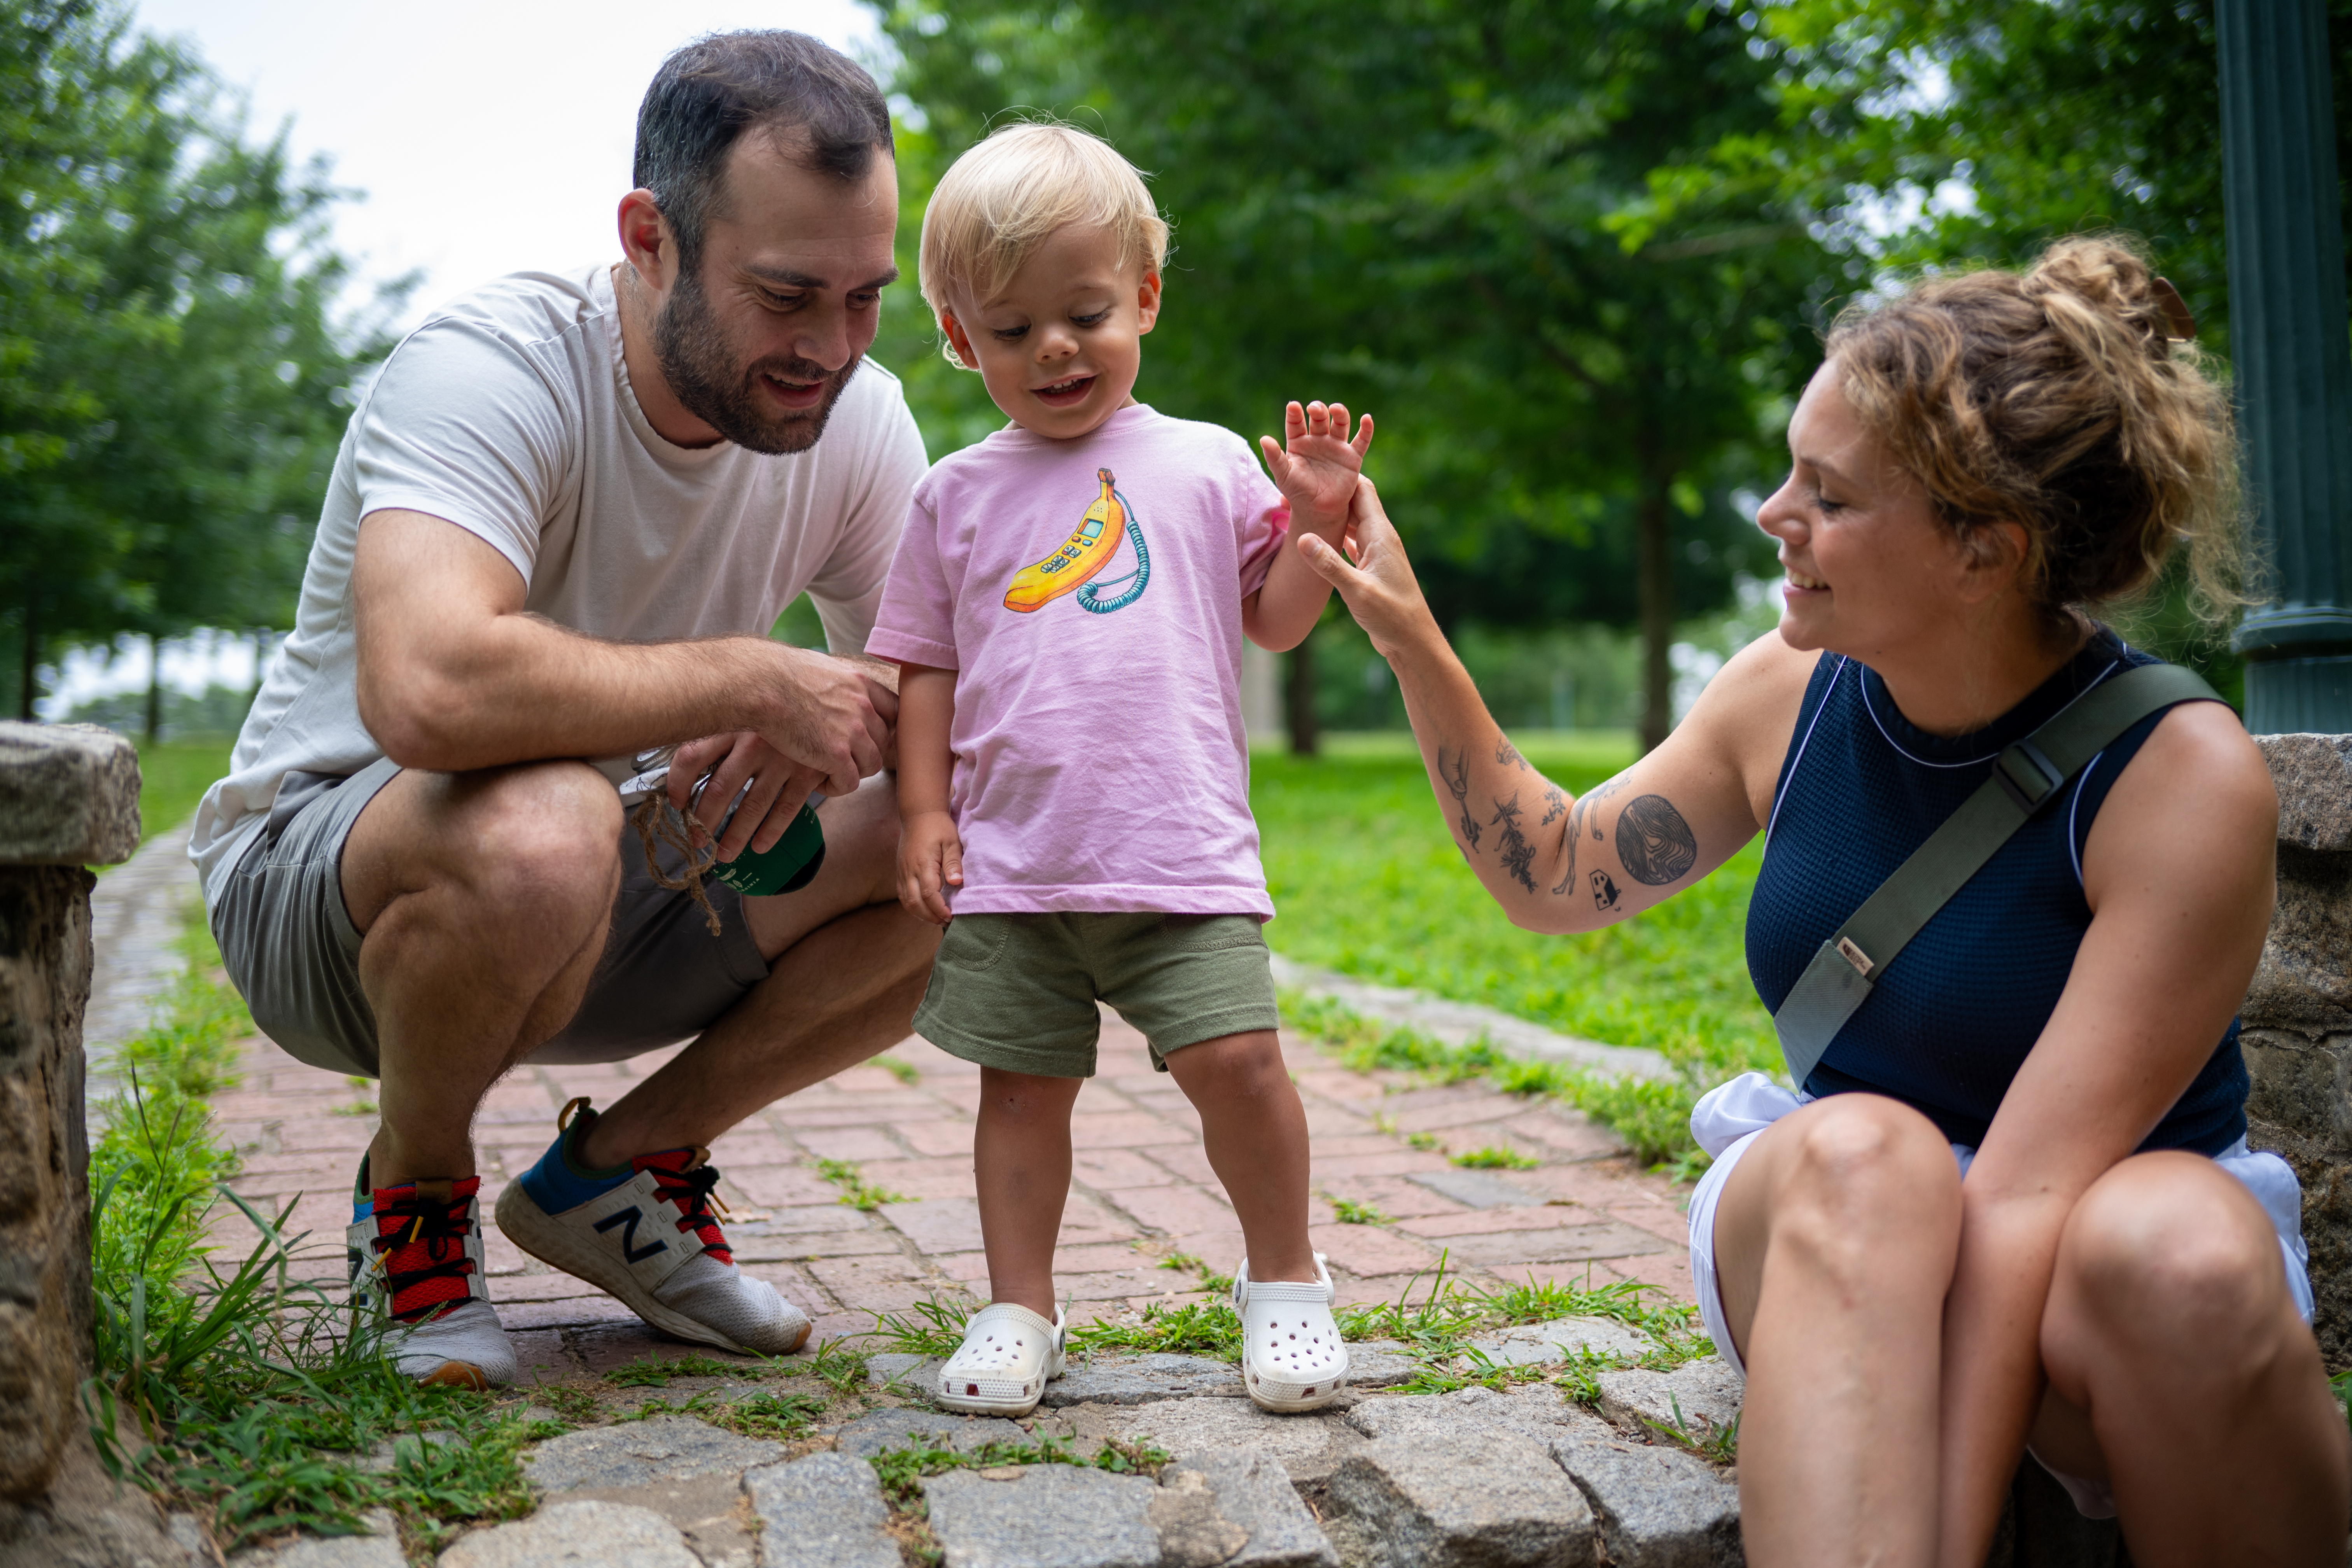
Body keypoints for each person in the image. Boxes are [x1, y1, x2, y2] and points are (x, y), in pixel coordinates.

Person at [1297, 237, 2350, 1564]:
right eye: (1792, 471)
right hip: (1843, 1228)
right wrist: (1406, 629)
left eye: (1829, 495)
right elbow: (1560, 874)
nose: (1773, 516)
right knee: (1868, 1152)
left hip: (2088, 1238)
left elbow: (2025, 1207)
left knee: (2176, 1254)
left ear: (1986, 551)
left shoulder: (2179, 776)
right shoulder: (1785, 692)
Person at [188, 32, 942, 1389]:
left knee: (979, 840)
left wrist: (864, 696)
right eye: (785, 297)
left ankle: (616, 1177)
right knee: (547, 820)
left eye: (864, 299)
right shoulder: (492, 365)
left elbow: (963, 698)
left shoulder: (862, 424)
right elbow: (426, 687)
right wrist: (753, 676)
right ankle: (413, 1205)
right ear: (650, 238)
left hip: (632, 881)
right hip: (331, 888)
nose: (829, 350)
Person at [865, 122, 1371, 1417]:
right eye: (1014, 325)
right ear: (959, 336)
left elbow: (1273, 619)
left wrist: (1313, 523)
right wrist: (923, 810)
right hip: (1018, 865)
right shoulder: (954, 497)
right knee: (1021, 1097)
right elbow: (924, 666)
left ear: (1143, 298)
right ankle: (1020, 1307)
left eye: (1086, 312)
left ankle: (1288, 1280)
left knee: (1241, 1069)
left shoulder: (1203, 463)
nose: (1056, 349)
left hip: (1177, 850)